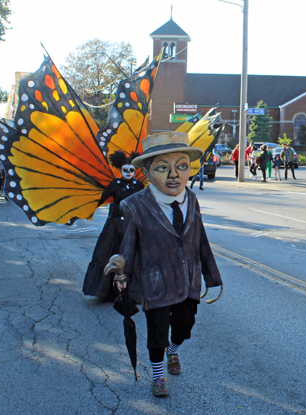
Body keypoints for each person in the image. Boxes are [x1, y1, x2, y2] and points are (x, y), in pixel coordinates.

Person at [114, 131, 222, 397]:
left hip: (188, 279)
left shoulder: (192, 200)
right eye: (163, 168)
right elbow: (128, 244)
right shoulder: (134, 206)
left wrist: (212, 276)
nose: (174, 175)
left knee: (184, 327)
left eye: (182, 166)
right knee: (157, 332)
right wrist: (121, 273)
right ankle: (158, 376)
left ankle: (174, 351)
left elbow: (201, 240)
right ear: (148, 173)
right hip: (156, 282)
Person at [82, 151, 144, 301]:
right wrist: (84, 205)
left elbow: (145, 203)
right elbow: (99, 198)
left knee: (133, 258)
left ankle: (132, 293)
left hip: (133, 226)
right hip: (115, 226)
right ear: (120, 169)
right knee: (109, 255)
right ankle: (107, 291)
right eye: (125, 170)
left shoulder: (140, 185)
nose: (129, 173)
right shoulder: (114, 184)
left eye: (131, 170)